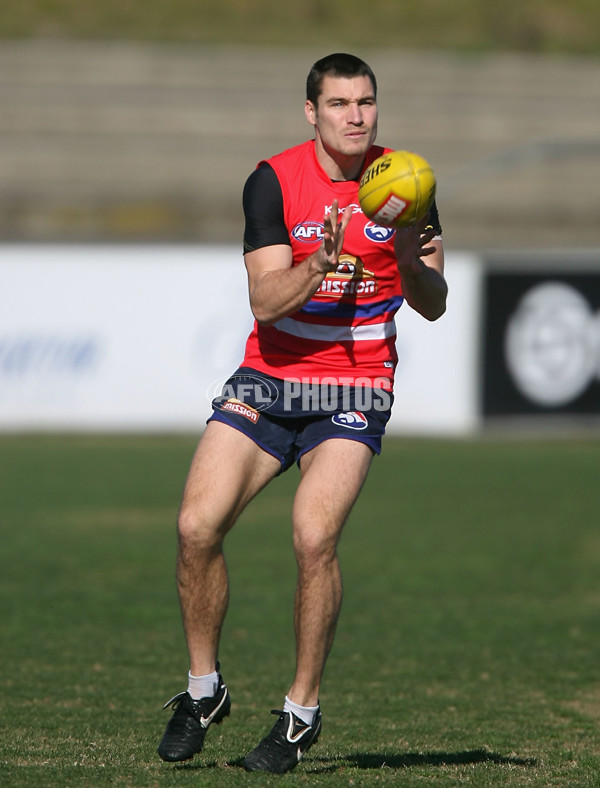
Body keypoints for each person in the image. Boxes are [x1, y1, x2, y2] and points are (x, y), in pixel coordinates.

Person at [157, 52, 447, 774]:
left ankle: (300, 714)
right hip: (270, 378)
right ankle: (203, 691)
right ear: (311, 112)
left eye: (367, 102)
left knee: (313, 537)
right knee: (196, 527)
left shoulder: (408, 184)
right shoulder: (273, 180)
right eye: (340, 103)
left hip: (353, 387)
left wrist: (412, 263)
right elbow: (263, 301)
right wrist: (320, 262)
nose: (356, 115)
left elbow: (435, 305)